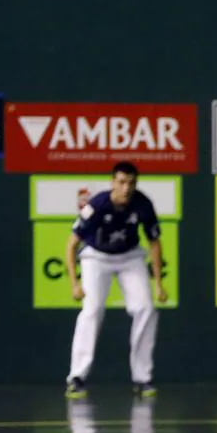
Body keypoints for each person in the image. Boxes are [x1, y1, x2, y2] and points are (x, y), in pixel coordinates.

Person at [65, 162, 166, 399]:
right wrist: (74, 283)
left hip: (130, 257)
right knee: (92, 309)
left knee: (145, 309)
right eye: (121, 182)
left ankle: (142, 378)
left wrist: (159, 283)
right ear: (112, 182)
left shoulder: (143, 204)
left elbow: (154, 243)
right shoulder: (96, 205)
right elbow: (71, 245)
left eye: (131, 183)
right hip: (96, 257)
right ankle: (76, 377)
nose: (126, 188)